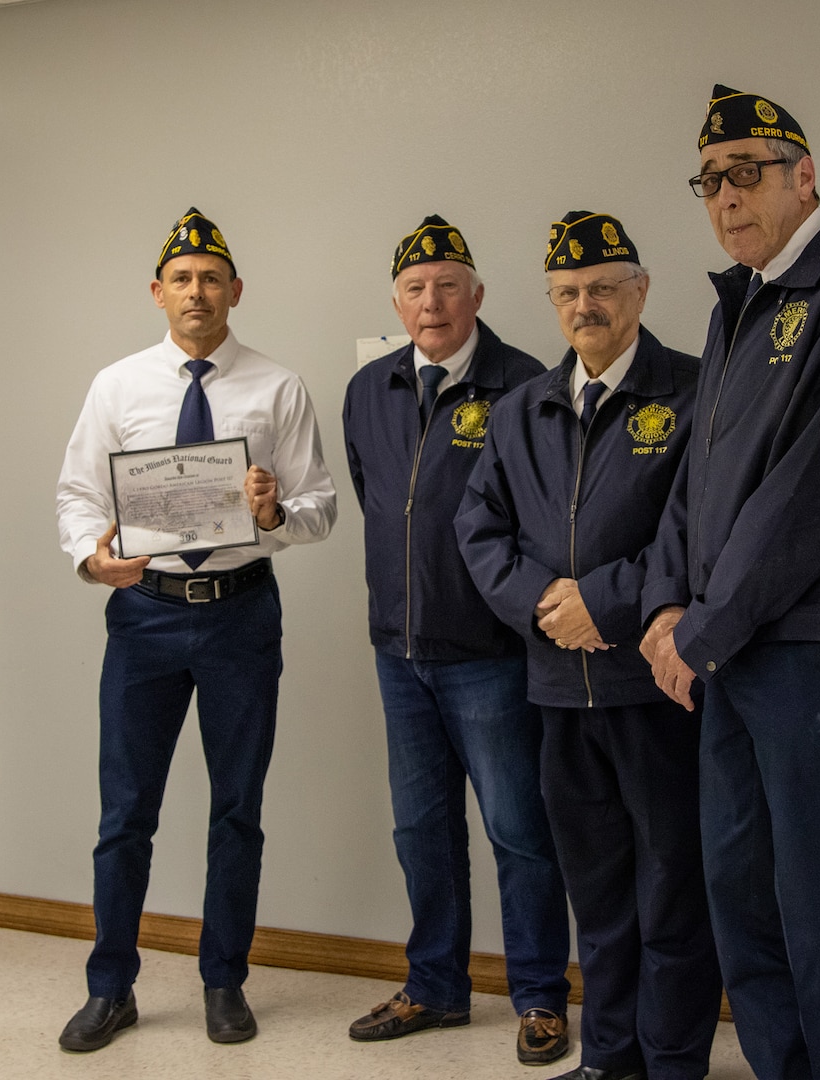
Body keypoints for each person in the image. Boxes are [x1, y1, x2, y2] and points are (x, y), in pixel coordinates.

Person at [640, 87, 820, 1079]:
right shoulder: (738, 304)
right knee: (738, 883)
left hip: (805, 641)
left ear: (804, 177)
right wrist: (671, 603)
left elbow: (816, 491)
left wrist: (701, 629)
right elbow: (698, 479)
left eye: (746, 173)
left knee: (815, 888)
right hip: (728, 641)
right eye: (710, 180)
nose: (725, 198)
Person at [54, 207, 336, 1052]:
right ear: (157, 292)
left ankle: (224, 980)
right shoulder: (117, 386)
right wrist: (89, 558)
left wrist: (273, 509)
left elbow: (320, 509)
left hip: (241, 613)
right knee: (124, 813)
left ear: (236, 291)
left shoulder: (277, 387)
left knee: (236, 810)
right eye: (181, 278)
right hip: (144, 616)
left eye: (212, 278)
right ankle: (112, 988)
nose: (197, 292)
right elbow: (76, 496)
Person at [459, 212, 720, 1080]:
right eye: (569, 293)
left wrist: (600, 602)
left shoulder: (694, 392)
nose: (586, 305)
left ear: (641, 291)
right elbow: (478, 528)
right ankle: (611, 1058)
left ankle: (674, 1060)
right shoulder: (522, 407)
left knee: (674, 890)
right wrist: (542, 602)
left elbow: (699, 535)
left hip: (657, 687)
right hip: (558, 692)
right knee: (599, 894)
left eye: (604, 287)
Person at [341, 214, 570, 1066]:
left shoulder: (526, 384)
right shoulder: (370, 389)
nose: (431, 303)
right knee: (421, 831)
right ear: (397, 303)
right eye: (414, 289)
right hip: (398, 653)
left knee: (518, 830)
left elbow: (543, 518)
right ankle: (435, 986)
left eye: (447, 286)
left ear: (477, 294)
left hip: (492, 657)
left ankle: (541, 995)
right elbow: (375, 497)